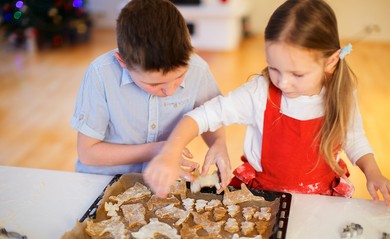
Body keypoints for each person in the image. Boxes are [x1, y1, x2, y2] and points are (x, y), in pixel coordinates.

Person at [144, 0, 390, 205]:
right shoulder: (259, 93)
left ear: (331, 61)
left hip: (320, 199)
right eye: (274, 69)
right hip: (263, 198)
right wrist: (170, 151)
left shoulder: (343, 92)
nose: (282, 82)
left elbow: (354, 138)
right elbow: (202, 116)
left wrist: (373, 172)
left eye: (297, 74)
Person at [70, 0, 230, 178]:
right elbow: (88, 153)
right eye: (154, 84)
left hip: (160, 180)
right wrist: (158, 150)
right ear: (123, 62)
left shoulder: (198, 69)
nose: (169, 91)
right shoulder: (100, 75)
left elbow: (210, 114)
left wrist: (218, 142)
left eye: (179, 77)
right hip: (101, 180)